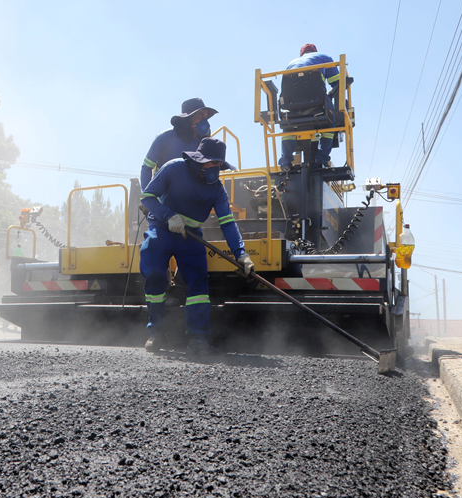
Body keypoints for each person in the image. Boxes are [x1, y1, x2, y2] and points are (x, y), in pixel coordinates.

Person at [139, 138, 253, 354]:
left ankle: (198, 337)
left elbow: (228, 222)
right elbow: (147, 197)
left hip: (190, 237)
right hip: (162, 229)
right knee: (153, 272)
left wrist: (241, 254)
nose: (216, 169)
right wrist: (169, 215)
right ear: (199, 161)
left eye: (219, 165)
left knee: (199, 284)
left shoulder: (217, 190)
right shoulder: (173, 169)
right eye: (212, 163)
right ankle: (156, 332)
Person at [278, 43, 340, 172]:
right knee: (330, 123)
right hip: (317, 104)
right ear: (315, 51)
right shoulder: (324, 57)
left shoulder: (291, 63)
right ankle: (322, 159)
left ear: (301, 54)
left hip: (292, 107)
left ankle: (285, 162)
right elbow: (337, 83)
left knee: (288, 128)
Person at [140, 98, 217, 189]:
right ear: (187, 118)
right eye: (200, 115)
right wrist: (146, 197)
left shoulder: (202, 143)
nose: (205, 122)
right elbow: (146, 168)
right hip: (163, 196)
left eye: (205, 117)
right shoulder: (164, 138)